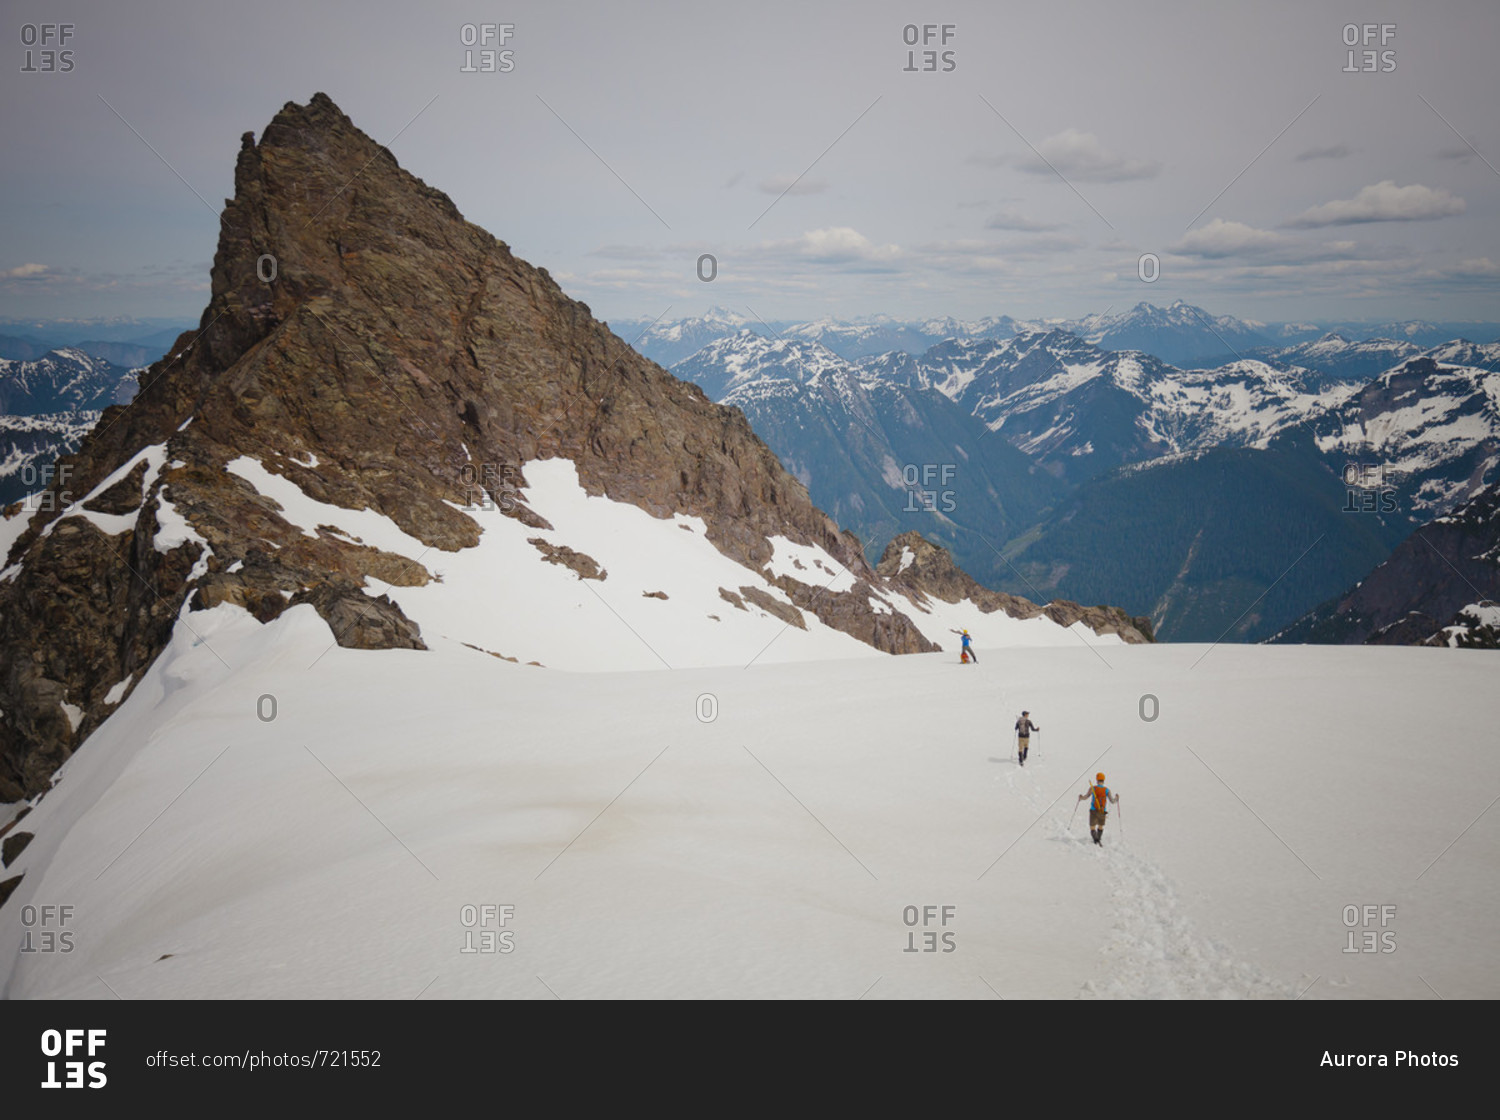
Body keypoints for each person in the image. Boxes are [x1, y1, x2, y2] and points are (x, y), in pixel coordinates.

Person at [1077, 772, 1118, 846]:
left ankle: (1096, 840)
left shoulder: (1093, 788)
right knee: (1100, 826)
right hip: (1102, 811)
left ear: (1097, 779)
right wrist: (1117, 798)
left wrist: (1081, 798)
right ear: (1103, 780)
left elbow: (1086, 797)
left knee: (1092, 827)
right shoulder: (1107, 790)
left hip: (1093, 810)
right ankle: (1098, 839)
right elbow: (1112, 801)